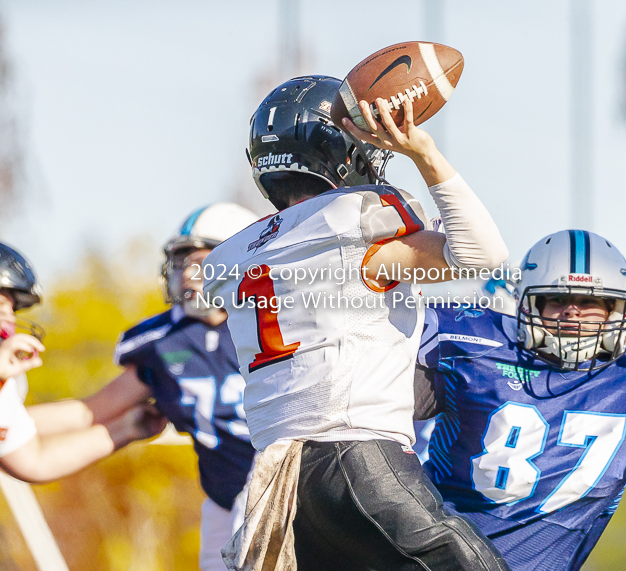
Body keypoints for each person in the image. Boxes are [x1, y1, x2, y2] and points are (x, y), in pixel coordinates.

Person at [203, 75, 511, 571]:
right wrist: (425, 152)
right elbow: (482, 255)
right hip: (355, 454)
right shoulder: (355, 231)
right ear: (343, 153)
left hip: (282, 484)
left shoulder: (238, 255)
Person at [414, 229, 626, 571]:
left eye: (591, 302)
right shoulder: (476, 347)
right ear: (527, 304)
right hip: (431, 554)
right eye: (558, 300)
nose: (573, 313)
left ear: (619, 310)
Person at [28, 203, 260, 571]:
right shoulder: (165, 341)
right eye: (181, 263)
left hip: (283, 483)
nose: (186, 275)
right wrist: (3, 421)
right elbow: (90, 411)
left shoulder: (275, 326)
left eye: (198, 263)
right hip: (223, 497)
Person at [0, 237, 154, 490]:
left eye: (12, 309)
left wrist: (127, 428)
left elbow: (35, 459)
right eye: (0, 303)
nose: (9, 318)